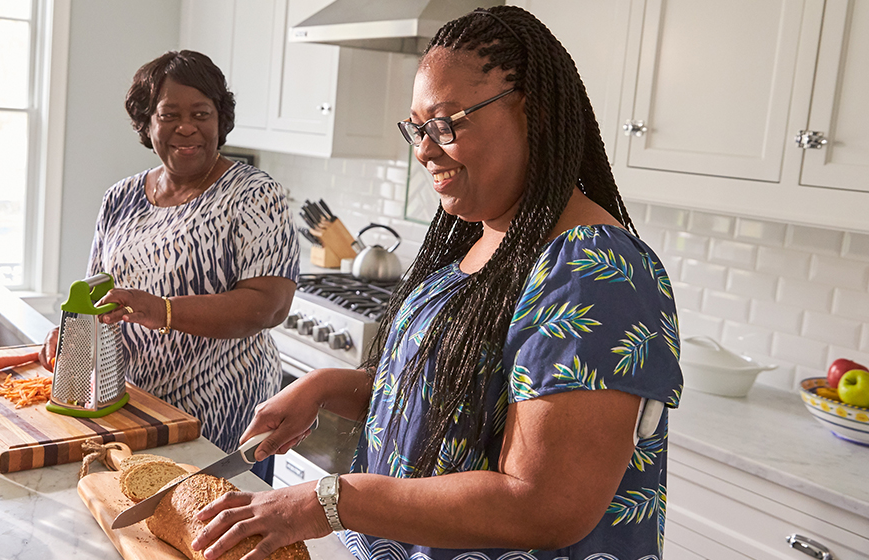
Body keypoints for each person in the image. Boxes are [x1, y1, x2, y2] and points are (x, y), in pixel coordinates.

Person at [188, 7, 683, 560]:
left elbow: (546, 505)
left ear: (535, 113)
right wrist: (329, 385)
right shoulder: (486, 234)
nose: (423, 149)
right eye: (418, 128)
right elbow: (444, 393)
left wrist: (330, 500)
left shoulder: (593, 270)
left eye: (446, 123)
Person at [39, 50, 299, 482]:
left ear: (220, 120)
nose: (187, 127)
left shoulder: (254, 194)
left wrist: (158, 309)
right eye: (169, 114)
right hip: (138, 409)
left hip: (225, 415)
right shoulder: (120, 197)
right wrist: (74, 336)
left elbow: (268, 307)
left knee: (213, 536)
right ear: (147, 123)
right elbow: (98, 291)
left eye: (202, 113)